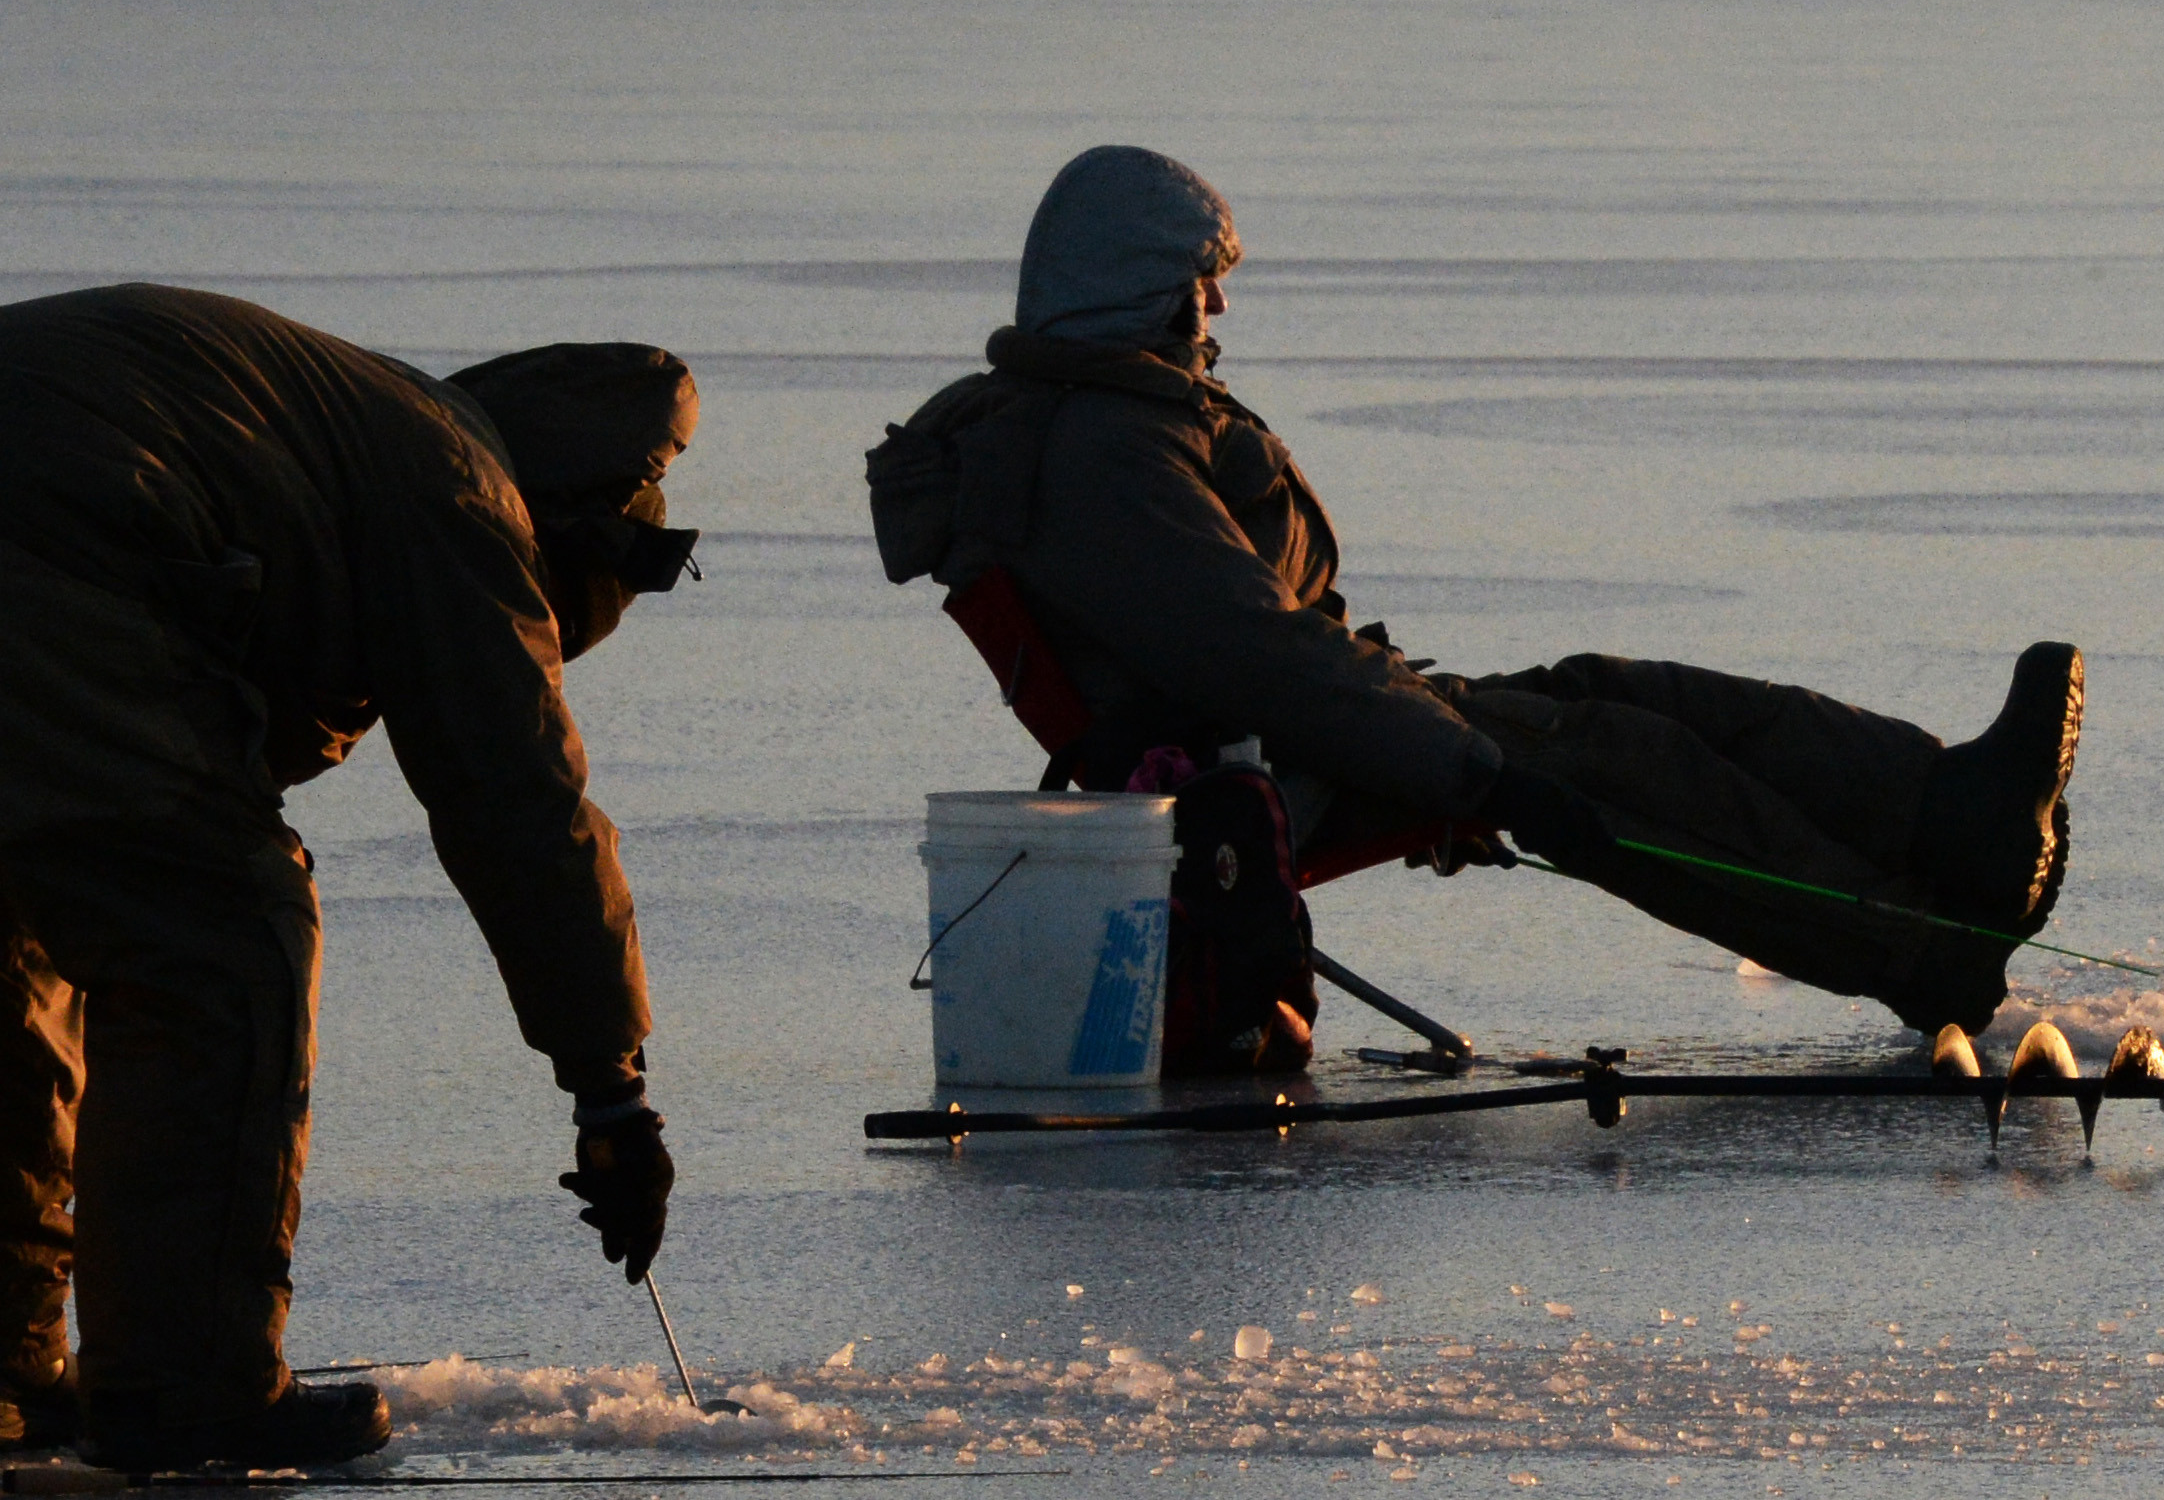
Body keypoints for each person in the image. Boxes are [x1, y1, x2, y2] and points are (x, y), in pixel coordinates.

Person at [0, 282, 696, 1474]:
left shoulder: (357, 426)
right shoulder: (461, 488)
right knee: (222, 948)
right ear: (570, 532)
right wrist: (610, 1089)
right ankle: (188, 1389)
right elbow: (519, 800)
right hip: (27, 514)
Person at [865, 146, 2085, 1034]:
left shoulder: (1107, 426)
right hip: (1250, 773)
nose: (1219, 304)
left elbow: (1268, 645)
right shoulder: (1101, 457)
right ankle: (1926, 953)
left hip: (1284, 731)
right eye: (1201, 276)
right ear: (1135, 283)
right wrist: (1478, 776)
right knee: (1605, 759)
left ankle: (1950, 816)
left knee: (1613, 691)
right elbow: (1259, 654)